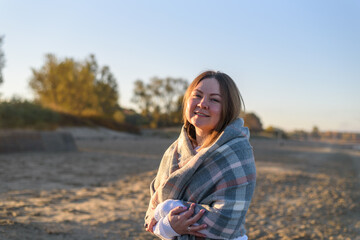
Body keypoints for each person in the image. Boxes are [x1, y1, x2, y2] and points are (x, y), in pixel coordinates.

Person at [144, 71, 256, 240]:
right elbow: (151, 218)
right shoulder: (174, 150)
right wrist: (167, 227)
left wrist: (167, 209)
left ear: (228, 108)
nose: (203, 104)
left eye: (214, 99)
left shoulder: (238, 151)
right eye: (197, 96)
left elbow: (226, 220)